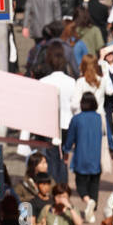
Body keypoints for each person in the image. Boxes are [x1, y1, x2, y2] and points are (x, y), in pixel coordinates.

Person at [38, 43, 78, 185]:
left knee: (51, 157)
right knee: (64, 158)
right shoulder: (72, 82)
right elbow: (75, 105)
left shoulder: (43, 82)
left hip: (49, 125)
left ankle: (53, 186)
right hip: (67, 124)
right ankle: (63, 187)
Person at [64, 91, 103, 222]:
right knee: (94, 184)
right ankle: (92, 210)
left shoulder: (77, 119)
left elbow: (70, 139)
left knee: (80, 184)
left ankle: (88, 201)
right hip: (97, 158)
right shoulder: (99, 117)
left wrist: (66, 149)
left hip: (81, 157)